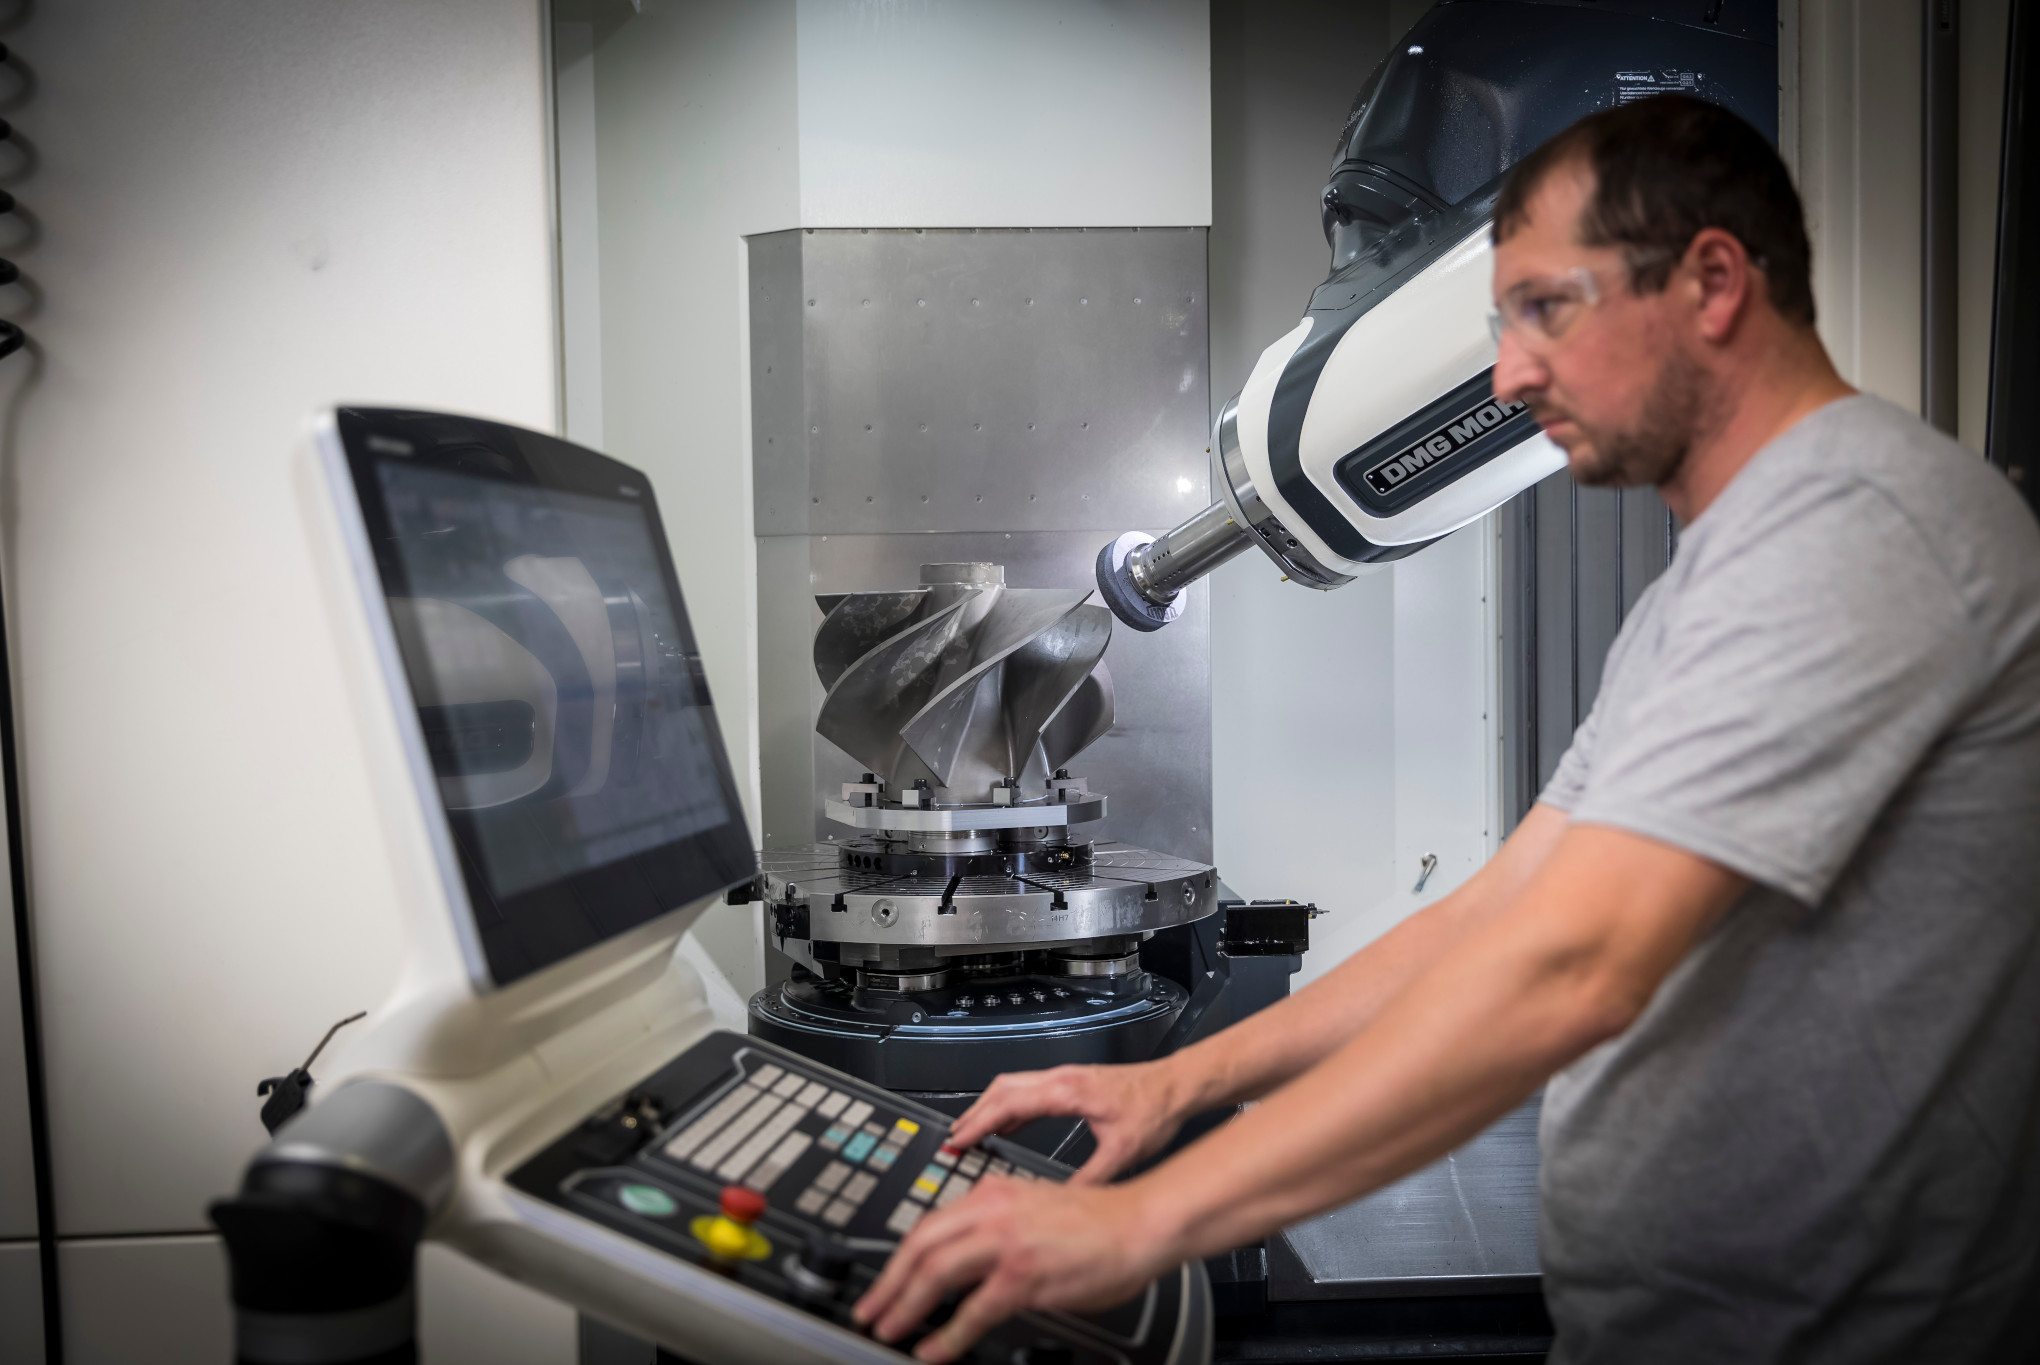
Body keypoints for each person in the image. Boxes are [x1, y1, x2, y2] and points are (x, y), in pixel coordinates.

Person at [851, 94, 2040, 1364]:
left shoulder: (1856, 535)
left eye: (1543, 312)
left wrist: (1144, 1224)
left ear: (1708, 281)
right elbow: (1496, 917)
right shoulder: (1718, 579)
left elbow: (1568, 969)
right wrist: (1174, 1085)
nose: (1513, 376)